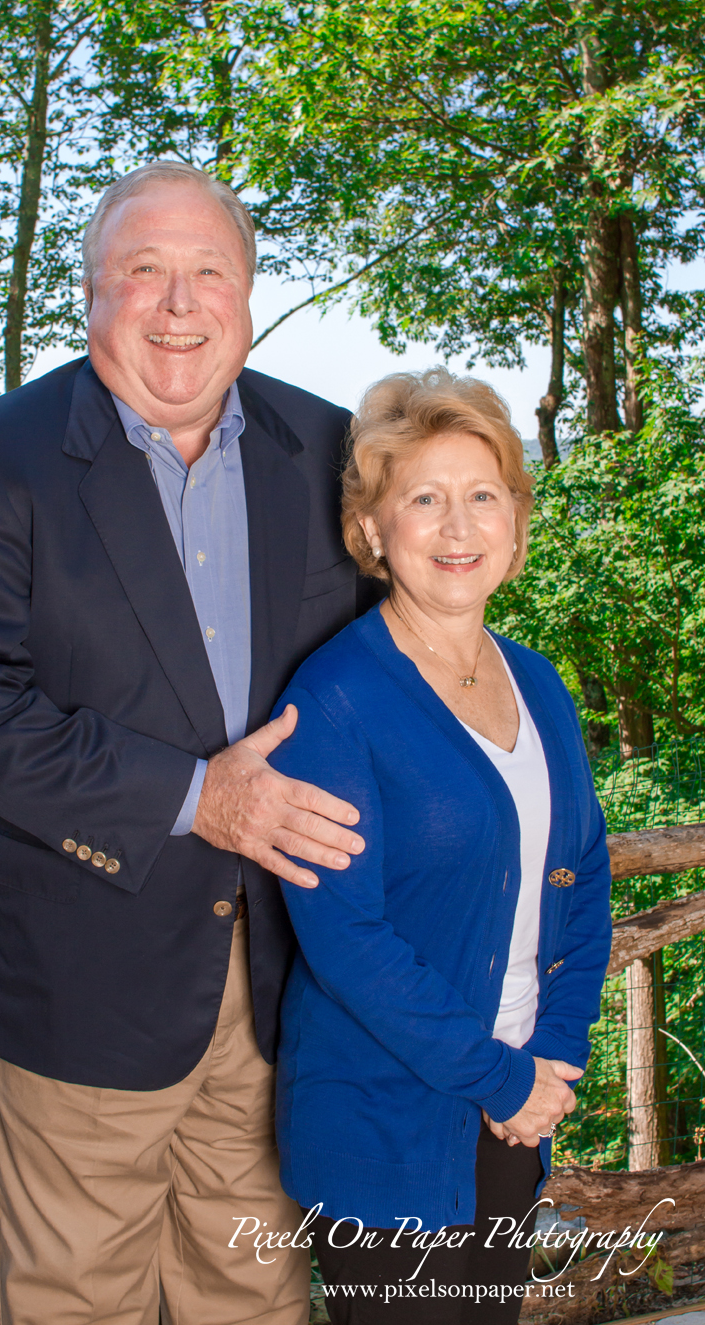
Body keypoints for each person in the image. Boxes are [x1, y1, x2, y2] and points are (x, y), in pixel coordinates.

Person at [0, 160, 377, 1325]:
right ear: (93, 294)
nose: (178, 303)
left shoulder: (330, 451)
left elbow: (398, 670)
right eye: (144, 271)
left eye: (208, 271)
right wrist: (191, 797)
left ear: (248, 293)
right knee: (75, 1307)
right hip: (80, 988)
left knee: (255, 1301)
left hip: (282, 983)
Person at [268, 369, 613, 1324]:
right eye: (424, 499)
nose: (457, 528)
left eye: (481, 497)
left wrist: (552, 1061)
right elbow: (349, 942)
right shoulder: (333, 701)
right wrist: (503, 1079)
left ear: (514, 523)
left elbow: (580, 879)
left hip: (515, 1111)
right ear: (372, 531)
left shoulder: (539, 685)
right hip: (384, 1123)